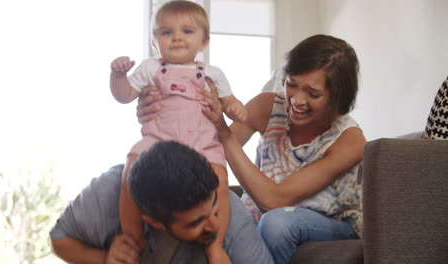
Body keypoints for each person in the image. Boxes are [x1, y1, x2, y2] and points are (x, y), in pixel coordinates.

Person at [137, 34, 366, 264]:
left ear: (337, 97)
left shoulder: (349, 139)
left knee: (277, 223)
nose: (296, 100)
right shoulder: (269, 106)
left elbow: (275, 200)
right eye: (291, 84)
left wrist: (223, 131)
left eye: (313, 93)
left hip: (330, 222)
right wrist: (158, 113)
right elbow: (205, 148)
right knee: (217, 206)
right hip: (263, 212)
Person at [109, 1, 247, 261]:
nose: (176, 38)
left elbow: (229, 101)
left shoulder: (212, 73)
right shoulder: (150, 69)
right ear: (154, 41)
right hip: (158, 141)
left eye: (187, 31)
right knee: (131, 167)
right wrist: (117, 76)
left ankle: (214, 245)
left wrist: (236, 108)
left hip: (202, 142)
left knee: (219, 177)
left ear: (204, 41)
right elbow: (125, 95)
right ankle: (132, 237)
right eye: (166, 32)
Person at [50, 141, 274, 264]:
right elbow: (60, 240)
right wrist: (103, 258)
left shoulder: (230, 212)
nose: (215, 226)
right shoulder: (105, 193)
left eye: (213, 208)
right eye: (196, 222)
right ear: (154, 222)